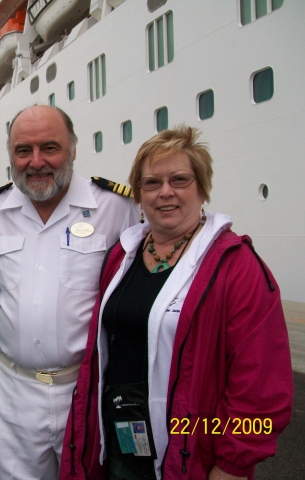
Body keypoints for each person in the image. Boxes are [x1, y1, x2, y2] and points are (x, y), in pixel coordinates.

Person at [60, 125, 293, 480]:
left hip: (189, 459)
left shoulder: (236, 266)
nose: (165, 192)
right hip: (119, 447)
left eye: (180, 180)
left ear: (202, 188)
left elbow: (261, 386)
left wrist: (232, 465)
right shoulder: (123, 254)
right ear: (139, 194)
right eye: (152, 183)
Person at [0, 105, 138, 479]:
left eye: (50, 147)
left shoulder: (117, 207)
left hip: (84, 392)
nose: (36, 162)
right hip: (13, 393)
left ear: (73, 149)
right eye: (23, 150)